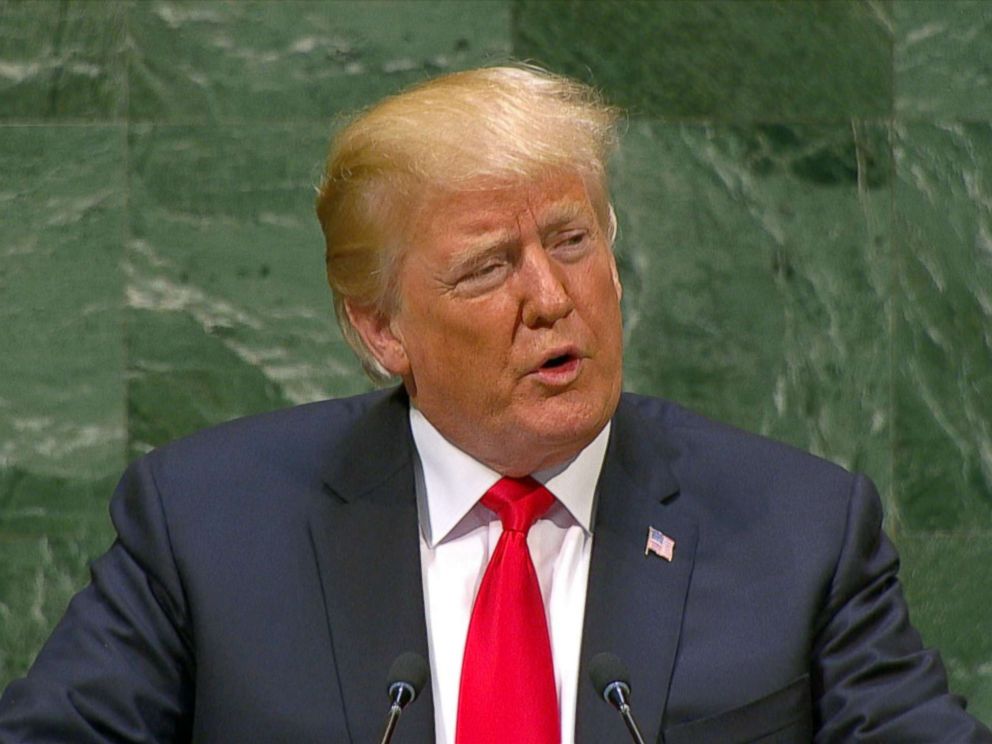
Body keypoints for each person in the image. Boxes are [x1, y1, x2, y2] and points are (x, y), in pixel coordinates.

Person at [0, 65, 989, 744]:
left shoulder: (801, 529)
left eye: (570, 242)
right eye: (486, 269)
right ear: (380, 329)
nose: (551, 299)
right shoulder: (206, 526)